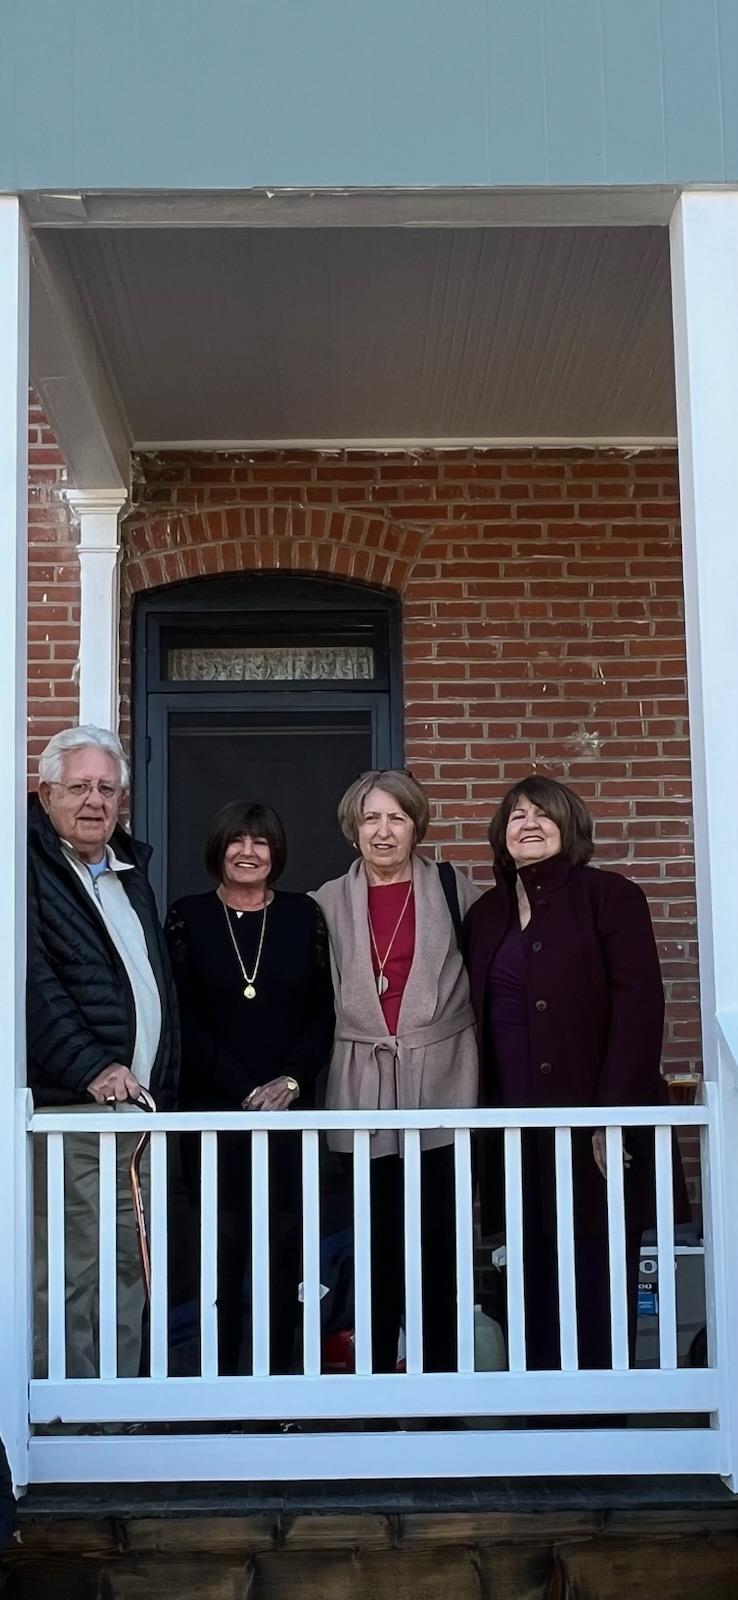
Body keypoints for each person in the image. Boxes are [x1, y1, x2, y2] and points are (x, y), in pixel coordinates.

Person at [464, 774, 674, 1371]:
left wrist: (610, 1120)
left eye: (542, 814)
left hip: (593, 1127)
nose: (528, 824)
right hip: (515, 1128)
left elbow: (640, 1011)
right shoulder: (485, 914)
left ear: (570, 825)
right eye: (516, 816)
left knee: (598, 1269)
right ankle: (543, 1415)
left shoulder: (610, 896)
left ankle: (605, 1419)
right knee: (529, 1269)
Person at [312, 770, 480, 1374]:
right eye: (371, 818)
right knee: (375, 1239)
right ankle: (376, 1378)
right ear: (353, 828)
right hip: (360, 1083)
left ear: (416, 825)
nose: (383, 832)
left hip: (444, 1079)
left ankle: (441, 1382)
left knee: (442, 1239)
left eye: (397, 818)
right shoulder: (325, 901)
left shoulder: (453, 888)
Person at [27, 725, 179, 1380]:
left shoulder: (126, 872)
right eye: (80, 787)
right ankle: (65, 1414)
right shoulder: (23, 867)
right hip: (73, 1111)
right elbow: (28, 983)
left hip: (136, 1115)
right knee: (68, 1265)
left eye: (107, 789)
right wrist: (89, 1065)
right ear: (46, 793)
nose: (94, 801)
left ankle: (116, 1410)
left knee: (127, 1262)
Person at [164, 800, 334, 1375]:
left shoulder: (303, 915)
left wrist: (289, 1080)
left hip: (288, 1114)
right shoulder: (187, 916)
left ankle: (279, 1383)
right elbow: (180, 1016)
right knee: (221, 1252)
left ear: (275, 851)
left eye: (260, 842)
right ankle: (219, 1383)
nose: (248, 852)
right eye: (236, 840)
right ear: (218, 848)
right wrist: (243, 1089)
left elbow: (323, 1016)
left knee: (284, 1253)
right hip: (215, 1116)